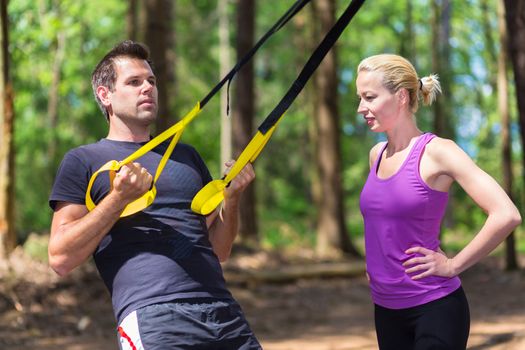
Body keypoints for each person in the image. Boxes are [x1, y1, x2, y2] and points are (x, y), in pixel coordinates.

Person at [48, 40, 262, 350]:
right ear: (105, 95)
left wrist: (232, 199)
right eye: (133, 82)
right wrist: (118, 199)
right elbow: (60, 258)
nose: (147, 88)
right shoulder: (84, 160)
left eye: (151, 81)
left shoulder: (185, 156)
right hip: (153, 316)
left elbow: (219, 250)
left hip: (222, 311)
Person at [356, 53, 521, 350]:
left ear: (402, 97)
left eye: (369, 97)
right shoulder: (376, 155)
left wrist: (453, 265)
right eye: (360, 98)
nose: (361, 108)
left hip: (434, 307)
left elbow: (506, 214)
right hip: (385, 309)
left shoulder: (438, 152)